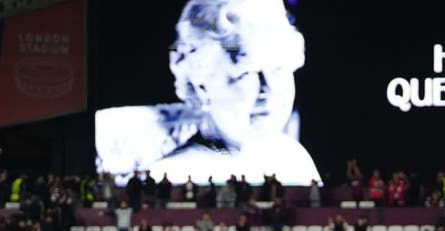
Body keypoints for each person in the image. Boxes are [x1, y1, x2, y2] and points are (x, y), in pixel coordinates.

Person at [96, 0, 319, 185]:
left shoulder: (294, 158)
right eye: (245, 74)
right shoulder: (175, 173)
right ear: (201, 86)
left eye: (278, 69)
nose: (268, 90)